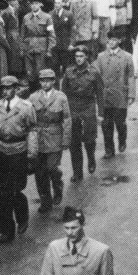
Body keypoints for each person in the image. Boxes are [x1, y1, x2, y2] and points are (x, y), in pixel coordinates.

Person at [0, 75, 36, 243]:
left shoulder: (25, 107)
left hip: (18, 151)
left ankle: (22, 217)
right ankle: (6, 230)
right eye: (2, 88)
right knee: (1, 192)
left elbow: (31, 131)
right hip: (2, 152)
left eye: (8, 88)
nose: (5, 91)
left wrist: (31, 154)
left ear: (16, 89)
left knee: (16, 189)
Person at [30, 68, 71, 212]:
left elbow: (66, 119)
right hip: (38, 138)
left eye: (48, 80)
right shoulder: (33, 98)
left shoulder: (61, 97)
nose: (45, 83)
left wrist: (66, 139)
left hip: (55, 138)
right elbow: (29, 121)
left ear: (53, 81)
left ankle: (58, 186)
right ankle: (45, 201)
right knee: (40, 172)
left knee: (52, 168)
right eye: (42, 80)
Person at [62, 45, 103, 182]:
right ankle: (77, 172)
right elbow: (63, 94)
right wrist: (64, 114)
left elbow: (100, 94)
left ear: (86, 57)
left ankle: (91, 158)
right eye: (76, 56)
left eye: (81, 56)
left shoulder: (94, 73)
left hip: (88, 106)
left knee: (89, 139)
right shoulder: (68, 72)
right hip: (73, 107)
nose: (78, 59)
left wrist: (101, 113)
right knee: (74, 143)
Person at [94, 34, 134, 157]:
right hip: (105, 96)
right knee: (106, 124)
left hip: (120, 95)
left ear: (120, 40)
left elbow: (131, 76)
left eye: (114, 39)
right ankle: (109, 149)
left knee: (120, 122)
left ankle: (122, 140)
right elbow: (96, 75)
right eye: (109, 39)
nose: (111, 42)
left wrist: (131, 94)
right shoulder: (101, 57)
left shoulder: (127, 57)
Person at [22, 0, 54, 86]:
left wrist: (49, 50)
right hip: (29, 47)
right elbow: (22, 35)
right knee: (29, 72)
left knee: (40, 71)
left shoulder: (47, 17)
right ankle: (32, 94)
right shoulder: (26, 17)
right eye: (32, 4)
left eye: (36, 4)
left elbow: (51, 35)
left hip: (41, 48)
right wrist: (22, 49)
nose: (34, 6)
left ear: (40, 4)